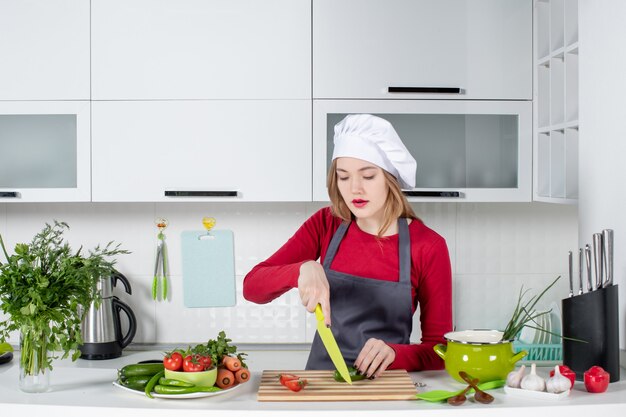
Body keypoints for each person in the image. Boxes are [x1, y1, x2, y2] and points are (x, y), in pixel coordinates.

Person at [243, 114, 452, 378]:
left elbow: (441, 350)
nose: (355, 189)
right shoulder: (326, 224)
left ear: (391, 179)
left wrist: (397, 354)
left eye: (368, 176)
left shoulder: (428, 246)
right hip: (321, 384)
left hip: (387, 385)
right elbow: (252, 288)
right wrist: (301, 270)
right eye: (343, 177)